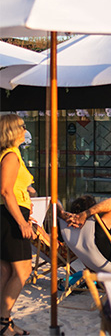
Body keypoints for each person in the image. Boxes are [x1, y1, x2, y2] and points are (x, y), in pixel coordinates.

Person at [0, 114, 36, 336]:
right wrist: (22, 221)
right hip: (11, 218)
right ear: (13, 130)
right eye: (23, 126)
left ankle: (5, 321)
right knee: (23, 270)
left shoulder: (11, 155)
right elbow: (5, 190)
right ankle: (3, 321)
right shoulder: (11, 156)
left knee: (5, 271)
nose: (25, 129)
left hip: (7, 216)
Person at [58, 195, 111, 268]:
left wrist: (62, 214)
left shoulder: (68, 228)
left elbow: (54, 201)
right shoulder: (96, 228)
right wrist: (86, 214)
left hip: (93, 262)